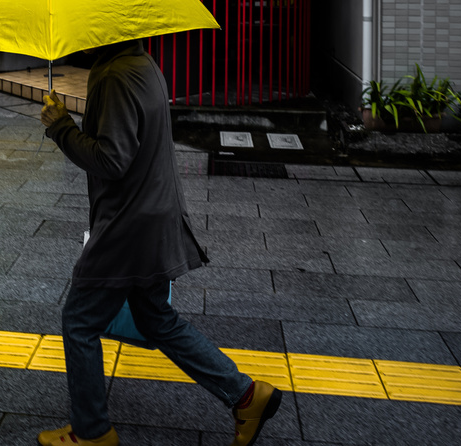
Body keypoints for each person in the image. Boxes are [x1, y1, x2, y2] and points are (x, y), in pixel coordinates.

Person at [38, 39, 281, 446]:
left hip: (127, 227)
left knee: (79, 322)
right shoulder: (140, 63)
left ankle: (93, 431)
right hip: (150, 215)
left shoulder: (116, 75)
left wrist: (60, 127)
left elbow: (112, 160)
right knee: (155, 318)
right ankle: (246, 395)